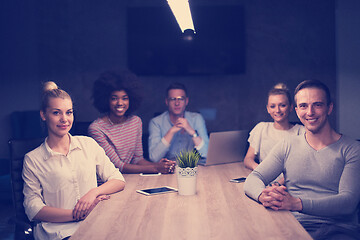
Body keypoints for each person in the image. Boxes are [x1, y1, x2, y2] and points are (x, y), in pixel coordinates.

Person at [244, 80, 360, 240]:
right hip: (293, 226)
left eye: (317, 105)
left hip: (339, 230)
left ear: (329, 108)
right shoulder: (287, 144)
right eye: (304, 106)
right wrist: (262, 195)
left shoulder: (353, 149)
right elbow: (253, 178)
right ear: (297, 110)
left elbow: (348, 203)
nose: (310, 112)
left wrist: (296, 204)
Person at [22, 81, 125, 240]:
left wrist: (93, 192)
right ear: (43, 115)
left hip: (94, 225)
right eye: (56, 113)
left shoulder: (88, 144)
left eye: (69, 112)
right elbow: (33, 209)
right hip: (59, 233)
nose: (64, 119)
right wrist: (76, 214)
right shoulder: (32, 159)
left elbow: (118, 179)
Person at [88, 71, 175, 174]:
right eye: (114, 98)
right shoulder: (96, 129)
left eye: (124, 98)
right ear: (106, 100)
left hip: (130, 178)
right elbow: (118, 166)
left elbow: (137, 159)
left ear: (131, 100)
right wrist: (156, 168)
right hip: (106, 182)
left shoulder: (135, 122)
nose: (120, 103)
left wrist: (161, 166)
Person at [244, 83, 305, 176]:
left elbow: (303, 167)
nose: (277, 110)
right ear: (268, 109)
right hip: (264, 180)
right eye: (272, 106)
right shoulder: (261, 128)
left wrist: (278, 183)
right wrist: (259, 170)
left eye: (282, 105)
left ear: (291, 107)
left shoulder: (302, 131)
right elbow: (248, 159)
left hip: (290, 184)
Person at [148, 82, 209, 165]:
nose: (177, 103)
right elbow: (154, 158)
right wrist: (171, 131)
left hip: (191, 168)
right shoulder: (156, 122)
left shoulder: (196, 118)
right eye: (173, 99)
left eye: (181, 99)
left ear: (186, 101)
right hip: (167, 169)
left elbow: (207, 154)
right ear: (167, 101)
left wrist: (192, 132)